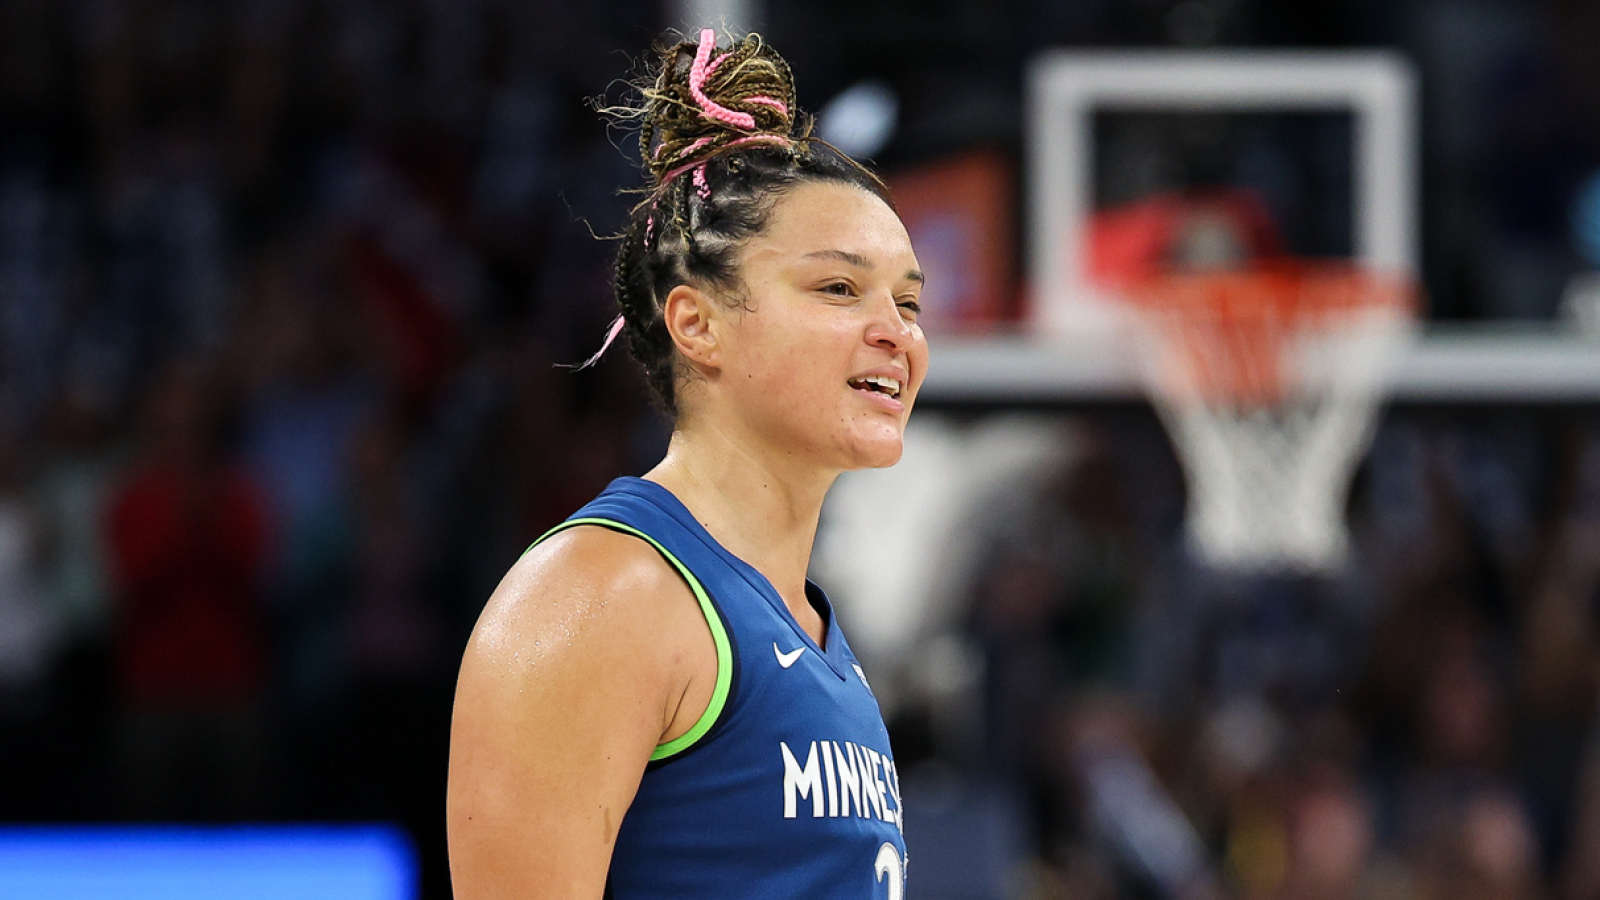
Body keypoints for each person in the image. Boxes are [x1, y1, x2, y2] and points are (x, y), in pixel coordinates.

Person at [446, 28, 928, 900]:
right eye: (838, 288)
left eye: (909, 301)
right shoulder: (604, 597)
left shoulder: (815, 633)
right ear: (697, 324)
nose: (896, 331)